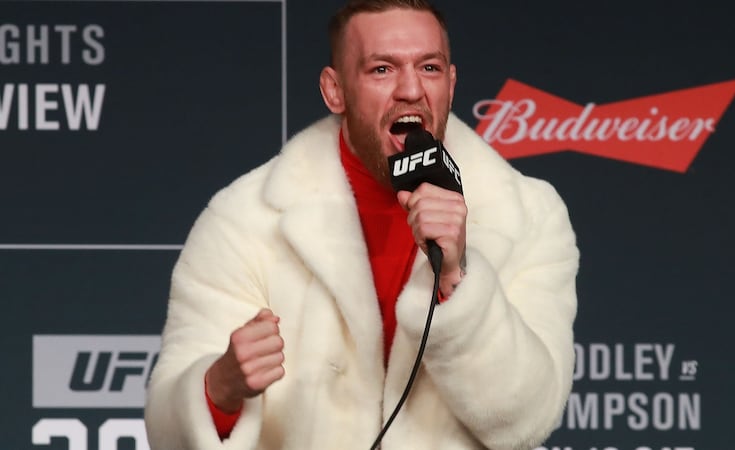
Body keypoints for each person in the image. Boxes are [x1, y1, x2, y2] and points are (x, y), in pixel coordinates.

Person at [144, 0, 579, 448]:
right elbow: (166, 429)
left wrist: (455, 281)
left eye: (429, 68)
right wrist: (220, 390)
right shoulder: (244, 219)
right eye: (382, 70)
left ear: (451, 83)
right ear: (335, 91)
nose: (411, 89)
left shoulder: (529, 214)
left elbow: (528, 418)